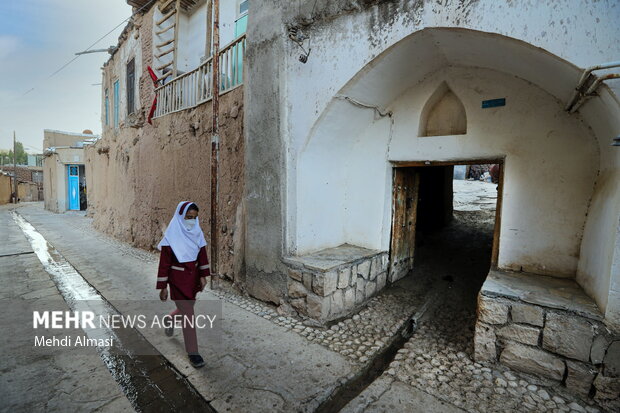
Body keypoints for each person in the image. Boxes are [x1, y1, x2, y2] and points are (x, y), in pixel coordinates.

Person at [156, 201, 211, 368]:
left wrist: (203, 275)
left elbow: (202, 255)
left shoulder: (197, 233)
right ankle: (193, 352)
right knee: (188, 314)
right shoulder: (170, 239)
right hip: (178, 280)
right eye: (188, 217)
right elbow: (164, 264)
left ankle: (170, 318)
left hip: (193, 279)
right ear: (180, 217)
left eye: (194, 218)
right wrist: (163, 286)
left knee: (188, 307)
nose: (192, 221)